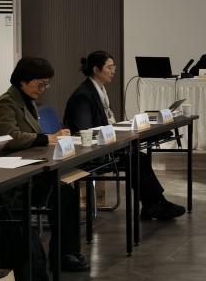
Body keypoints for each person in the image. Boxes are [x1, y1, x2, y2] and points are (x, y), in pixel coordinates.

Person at [63, 51, 185, 220]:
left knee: (139, 158)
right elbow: (84, 132)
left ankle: (154, 204)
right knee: (136, 159)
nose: (113, 71)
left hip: (106, 146)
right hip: (91, 155)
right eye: (109, 67)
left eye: (114, 67)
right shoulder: (83, 96)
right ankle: (154, 205)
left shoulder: (98, 90)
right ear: (96, 70)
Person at [0, 57, 89, 272]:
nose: (43, 89)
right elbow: (10, 136)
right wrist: (47, 138)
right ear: (23, 81)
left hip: (32, 168)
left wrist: (52, 137)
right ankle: (63, 255)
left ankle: (66, 252)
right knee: (61, 193)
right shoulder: (6, 103)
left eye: (46, 84)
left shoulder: (27, 100)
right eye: (40, 84)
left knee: (65, 192)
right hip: (16, 180)